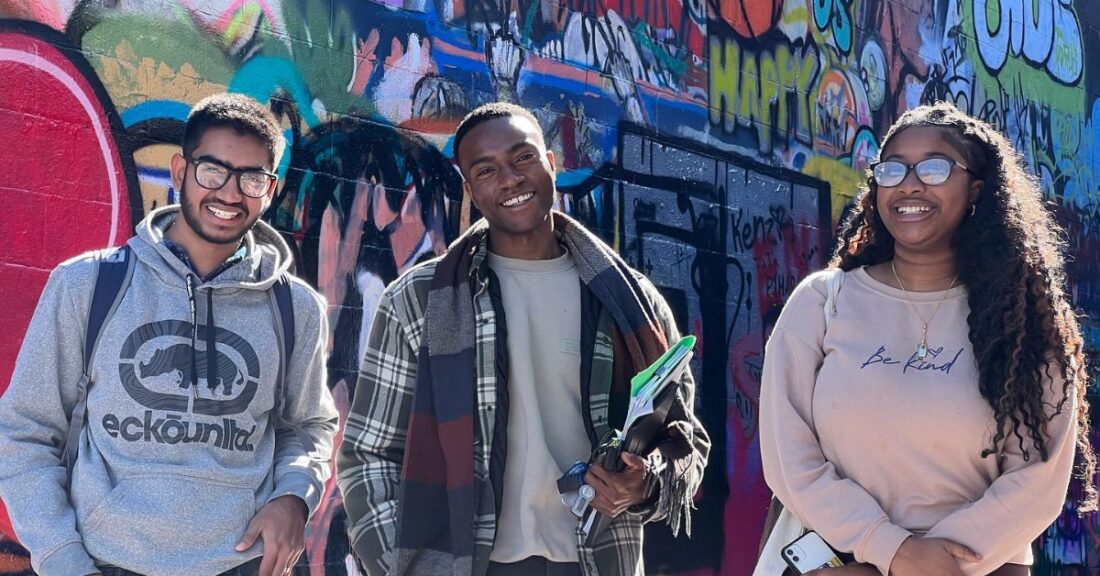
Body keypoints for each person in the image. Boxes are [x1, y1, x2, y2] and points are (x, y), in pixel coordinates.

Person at [336, 102, 710, 576]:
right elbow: (368, 455)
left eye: (523, 158)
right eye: (486, 170)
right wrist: (398, 567)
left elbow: (686, 440)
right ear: (470, 189)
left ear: (551, 163)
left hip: (597, 559)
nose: (510, 179)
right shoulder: (419, 299)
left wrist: (646, 484)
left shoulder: (631, 301)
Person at [0, 93, 339, 576]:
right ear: (180, 171)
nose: (228, 192)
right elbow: (23, 433)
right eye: (212, 170)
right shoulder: (88, 285)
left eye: (252, 178)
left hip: (240, 564)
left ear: (272, 189)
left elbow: (308, 427)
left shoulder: (295, 306)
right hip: (105, 562)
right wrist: (61, 558)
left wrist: (294, 497)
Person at [758, 101, 1095, 576]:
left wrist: (929, 563)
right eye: (891, 170)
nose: (909, 184)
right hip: (836, 565)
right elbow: (788, 458)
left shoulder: (1026, 324)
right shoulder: (822, 304)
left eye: (934, 168)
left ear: (976, 188)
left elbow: (1037, 480)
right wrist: (889, 549)